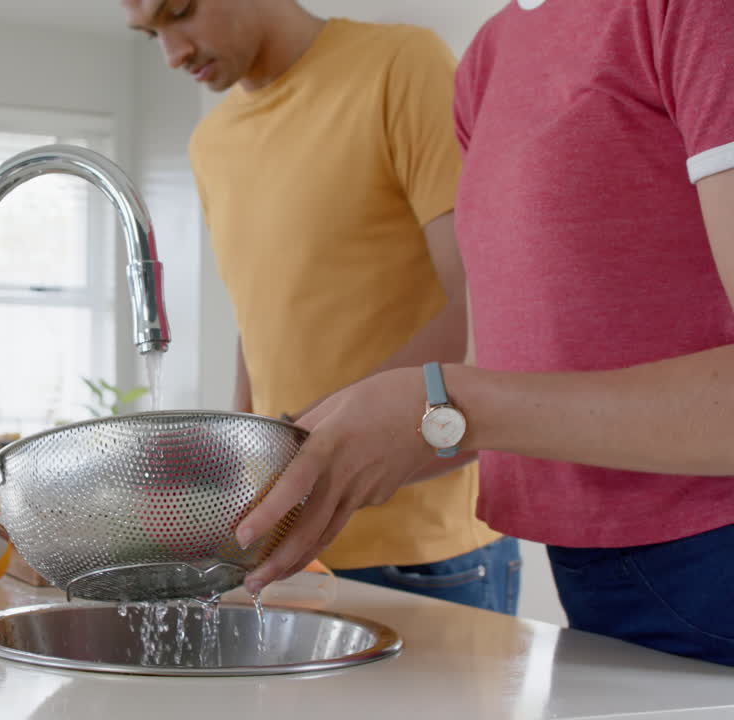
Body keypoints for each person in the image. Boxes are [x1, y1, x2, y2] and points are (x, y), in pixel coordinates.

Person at [232, 0, 734, 666]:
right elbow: (512, 369)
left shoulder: (692, 14)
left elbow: (477, 399)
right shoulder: (489, 59)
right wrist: (305, 455)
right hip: (594, 577)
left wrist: (446, 403)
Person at [121, 0, 521, 613]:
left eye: (180, 11)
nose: (173, 53)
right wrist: (238, 464)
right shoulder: (211, 143)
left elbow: (481, 306)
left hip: (423, 553)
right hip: (284, 550)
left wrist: (300, 446)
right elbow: (260, 320)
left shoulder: (400, 66)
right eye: (152, 33)